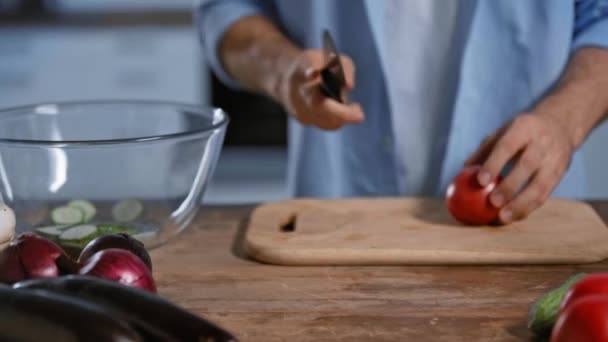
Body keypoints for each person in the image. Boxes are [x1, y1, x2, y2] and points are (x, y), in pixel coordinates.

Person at [195, 0, 608, 223]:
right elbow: (227, 9)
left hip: (530, 219)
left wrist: (563, 119)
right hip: (333, 227)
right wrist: (280, 68)